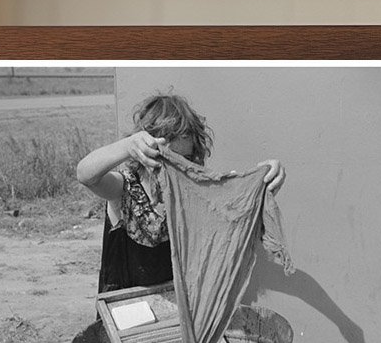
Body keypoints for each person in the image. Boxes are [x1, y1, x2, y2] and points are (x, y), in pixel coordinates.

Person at [76, 92, 286, 294]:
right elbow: (86, 175)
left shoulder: (194, 193)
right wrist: (127, 146)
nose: (176, 168)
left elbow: (236, 209)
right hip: (125, 309)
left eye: (184, 159)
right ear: (145, 153)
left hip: (174, 306)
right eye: (168, 159)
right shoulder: (124, 188)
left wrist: (263, 181)